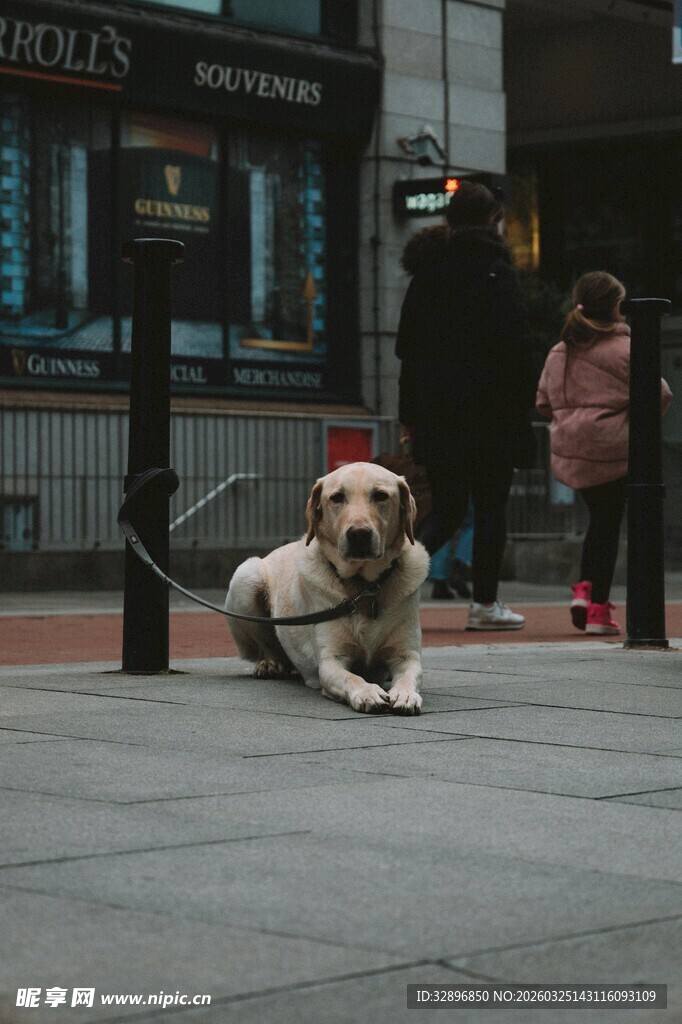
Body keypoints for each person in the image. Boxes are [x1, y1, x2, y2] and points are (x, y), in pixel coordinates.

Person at [396, 180, 537, 630]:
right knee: (491, 508)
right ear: (494, 220)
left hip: (439, 415)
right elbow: (518, 348)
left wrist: (410, 417)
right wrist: (525, 406)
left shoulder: (427, 274)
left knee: (447, 508)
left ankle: (384, 585)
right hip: (493, 414)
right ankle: (484, 605)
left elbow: (407, 352)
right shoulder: (497, 272)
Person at [536, 271, 672, 634]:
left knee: (599, 521)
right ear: (616, 307)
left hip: (571, 450)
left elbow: (543, 403)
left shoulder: (559, 351)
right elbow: (660, 394)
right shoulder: (625, 349)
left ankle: (585, 590)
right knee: (609, 525)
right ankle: (597, 608)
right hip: (611, 450)